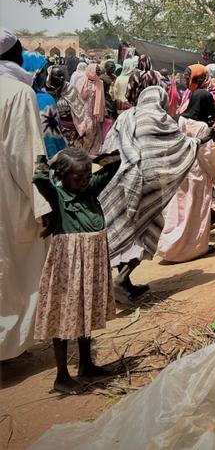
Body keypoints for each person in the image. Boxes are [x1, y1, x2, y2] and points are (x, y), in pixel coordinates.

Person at [32, 148, 120, 394]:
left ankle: (86, 364)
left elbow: (114, 163)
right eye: (77, 178)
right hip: (68, 267)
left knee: (85, 310)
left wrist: (90, 159)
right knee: (64, 316)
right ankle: (61, 376)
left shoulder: (91, 190)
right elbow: (39, 178)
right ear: (62, 176)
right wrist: (51, 162)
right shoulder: (57, 197)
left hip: (91, 264)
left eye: (87, 176)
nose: (84, 182)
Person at [100, 86, 199, 301]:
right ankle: (122, 279)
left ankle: (123, 283)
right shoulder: (161, 119)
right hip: (147, 185)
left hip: (121, 180)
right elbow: (179, 146)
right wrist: (199, 141)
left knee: (123, 228)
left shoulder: (125, 116)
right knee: (147, 231)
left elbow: (108, 146)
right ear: (161, 100)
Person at [0, 30, 51, 361]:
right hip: (10, 197)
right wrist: (44, 203)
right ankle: (9, 343)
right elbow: (29, 155)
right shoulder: (18, 93)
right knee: (17, 268)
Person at [157, 100, 215, 263]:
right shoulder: (202, 127)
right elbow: (206, 155)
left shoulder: (177, 120)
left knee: (179, 211)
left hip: (178, 170)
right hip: (196, 172)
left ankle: (170, 246)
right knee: (196, 211)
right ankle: (194, 248)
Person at [72, 63, 107, 158]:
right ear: (91, 71)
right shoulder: (81, 81)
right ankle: (82, 150)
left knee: (93, 129)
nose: (99, 73)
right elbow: (76, 97)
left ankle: (90, 151)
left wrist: (101, 110)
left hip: (94, 110)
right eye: (97, 71)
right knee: (86, 129)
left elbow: (101, 99)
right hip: (83, 109)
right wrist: (84, 93)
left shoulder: (100, 82)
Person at [37, 66, 69, 158]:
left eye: (63, 75)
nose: (61, 78)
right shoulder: (45, 97)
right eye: (57, 75)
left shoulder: (69, 88)